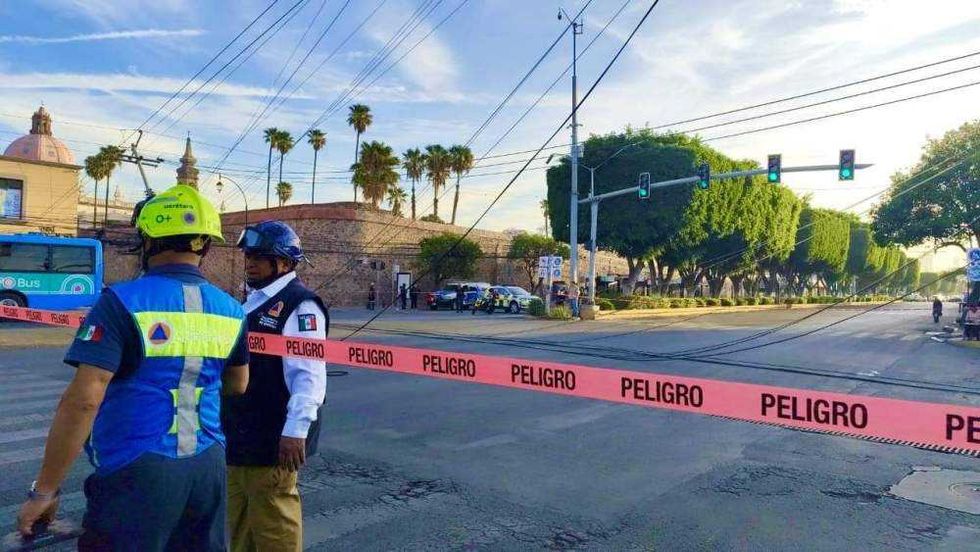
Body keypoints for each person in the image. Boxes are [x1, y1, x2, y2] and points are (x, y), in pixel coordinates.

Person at [15, 184, 250, 550]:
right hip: (208, 466)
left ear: (148, 240)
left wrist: (44, 490)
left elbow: (84, 401)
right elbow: (238, 384)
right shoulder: (232, 310)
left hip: (137, 467)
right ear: (205, 245)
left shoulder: (121, 302)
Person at [226, 220, 328, 552]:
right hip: (242, 432)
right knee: (241, 526)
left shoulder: (300, 304)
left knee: (274, 528)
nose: (250, 263)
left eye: (259, 257)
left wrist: (296, 430)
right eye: (248, 256)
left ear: (284, 262)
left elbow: (309, 374)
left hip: (272, 435)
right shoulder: (253, 301)